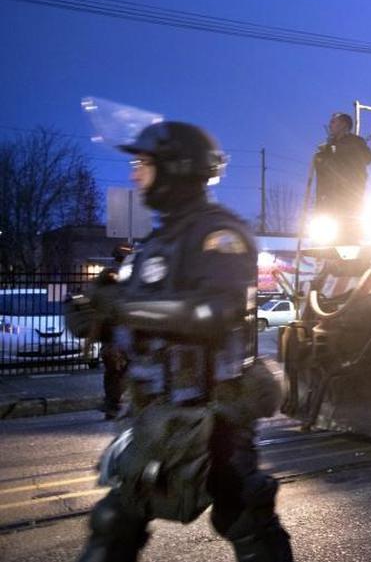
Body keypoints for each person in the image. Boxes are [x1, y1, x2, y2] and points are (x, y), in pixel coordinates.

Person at [73, 122, 292, 561]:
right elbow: (143, 325)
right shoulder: (157, 242)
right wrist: (95, 319)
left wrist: (122, 307)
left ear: (177, 168)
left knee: (244, 515)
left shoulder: (220, 234)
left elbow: (215, 313)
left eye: (144, 163)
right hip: (157, 411)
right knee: (116, 520)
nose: (135, 174)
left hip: (216, 413)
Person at [93, 244, 133, 419]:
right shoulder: (129, 276)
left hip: (108, 330)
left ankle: (112, 403)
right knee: (128, 368)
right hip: (122, 329)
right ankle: (115, 403)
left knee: (112, 371)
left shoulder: (105, 277)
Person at [313, 111, 371, 218]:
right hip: (328, 202)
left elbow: (368, 158)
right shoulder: (328, 148)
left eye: (333, 122)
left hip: (349, 199)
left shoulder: (356, 142)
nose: (330, 125)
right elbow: (322, 172)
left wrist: (336, 149)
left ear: (343, 124)